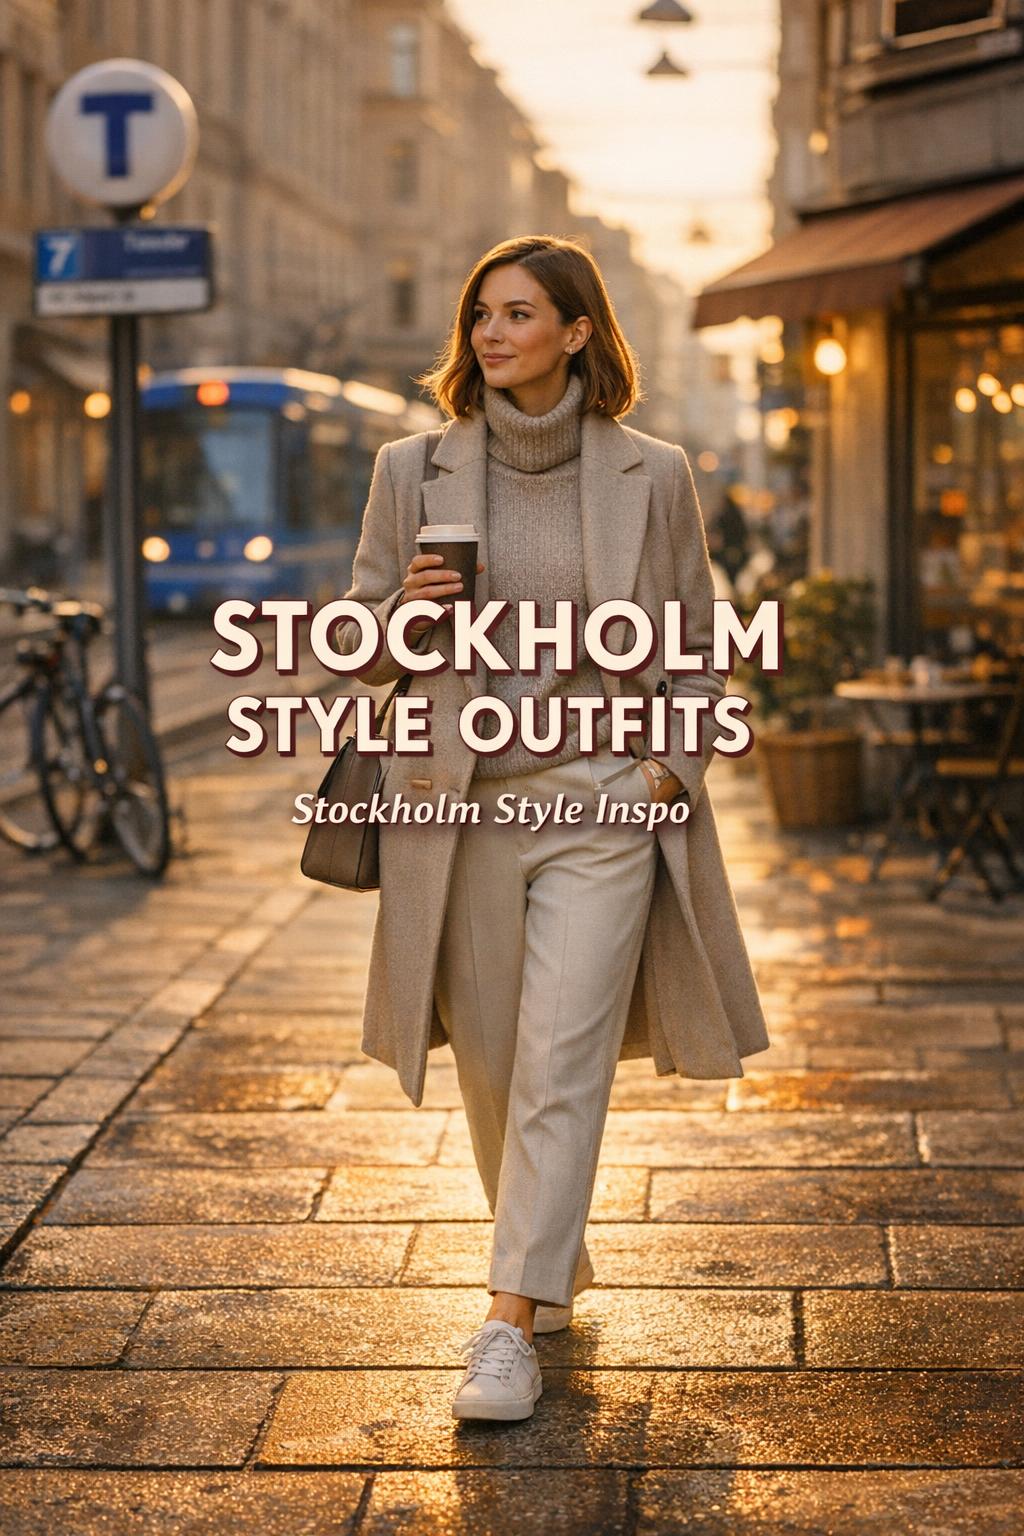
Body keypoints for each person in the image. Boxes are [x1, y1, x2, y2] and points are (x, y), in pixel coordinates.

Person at [335, 235, 769, 1422]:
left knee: (561, 1058)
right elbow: (357, 648)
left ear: (578, 331)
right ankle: (548, 1266)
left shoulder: (655, 473)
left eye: (517, 313)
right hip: (461, 814)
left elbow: (696, 645)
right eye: (479, 313)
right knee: (492, 1068)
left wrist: (666, 775)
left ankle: (504, 1326)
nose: (489, 332)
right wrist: (400, 620)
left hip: (598, 811)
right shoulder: (410, 467)